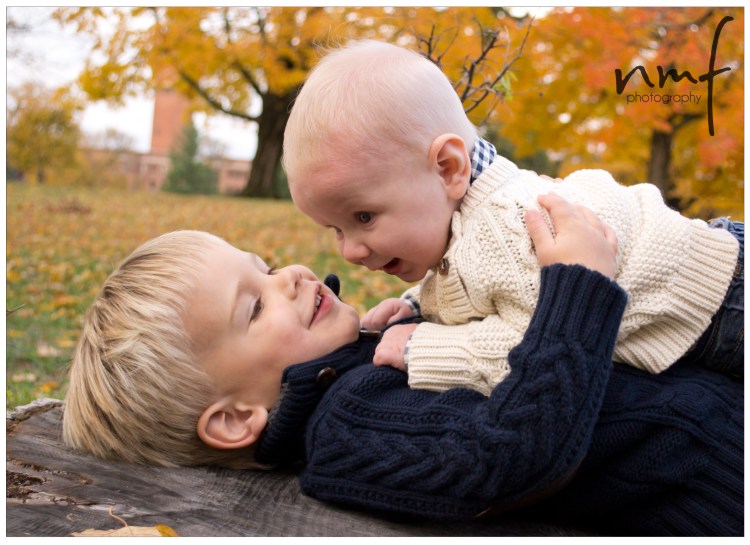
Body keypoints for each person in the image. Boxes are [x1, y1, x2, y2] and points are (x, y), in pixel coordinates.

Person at [62, 196, 743, 535]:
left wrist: (417, 321)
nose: (290, 275)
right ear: (237, 418)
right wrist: (578, 286)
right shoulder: (347, 430)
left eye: (264, 266)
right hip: (718, 477)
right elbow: (513, 450)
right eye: (255, 306)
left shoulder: (351, 382)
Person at [282, 40, 743, 396]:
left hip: (726, 303)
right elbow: (482, 287)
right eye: (337, 228)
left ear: (448, 168)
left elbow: (539, 346)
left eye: (363, 216)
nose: (350, 250)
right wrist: (419, 307)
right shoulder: (466, 220)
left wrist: (422, 346)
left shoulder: (511, 227)